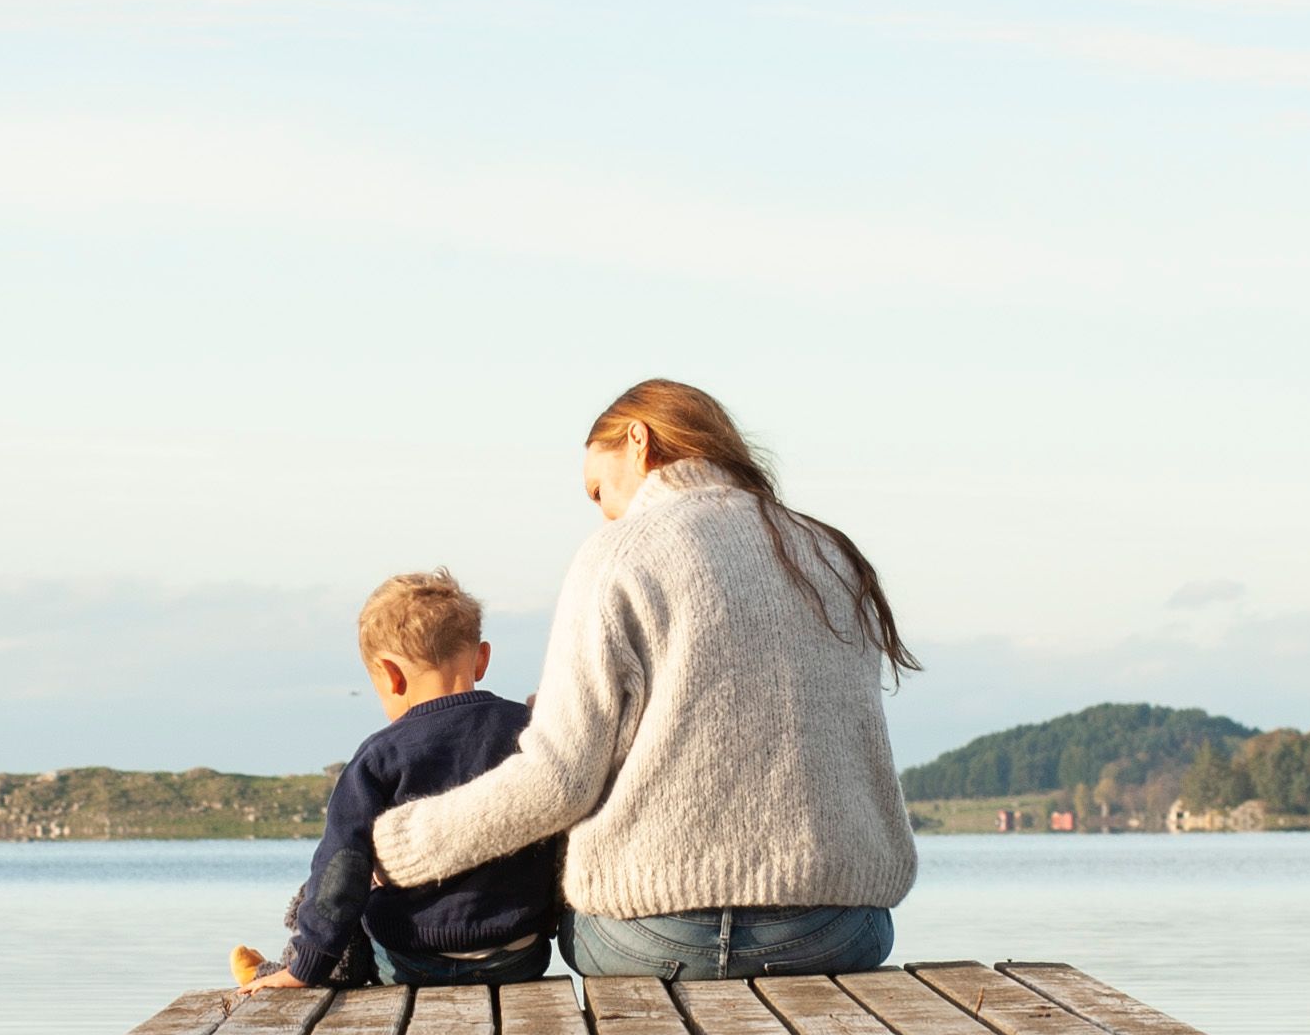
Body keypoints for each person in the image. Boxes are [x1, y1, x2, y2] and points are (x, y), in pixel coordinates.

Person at [370, 380, 915, 980]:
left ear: (638, 441)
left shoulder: (619, 551)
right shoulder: (830, 552)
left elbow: (559, 782)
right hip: (836, 933)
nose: (604, 510)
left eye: (598, 490)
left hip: (657, 937)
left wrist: (394, 847)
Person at [231, 570, 565, 992]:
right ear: (481, 659)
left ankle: (292, 964)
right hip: (518, 958)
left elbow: (341, 866)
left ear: (391, 675)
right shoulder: (529, 729)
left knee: (340, 883)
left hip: (411, 963)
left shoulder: (380, 755)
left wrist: (307, 967)